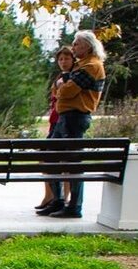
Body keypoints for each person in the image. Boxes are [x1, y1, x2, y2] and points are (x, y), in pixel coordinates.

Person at [38, 30, 107, 220]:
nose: (74, 46)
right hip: (64, 117)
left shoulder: (91, 66)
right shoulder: (80, 66)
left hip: (75, 117)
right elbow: (59, 88)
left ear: (87, 46)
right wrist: (63, 84)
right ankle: (57, 200)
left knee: (73, 163)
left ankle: (74, 206)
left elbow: (67, 92)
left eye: (77, 44)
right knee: (49, 156)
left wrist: (63, 84)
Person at [35, 46, 76, 212]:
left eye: (67, 59)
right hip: (55, 123)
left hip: (65, 123)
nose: (63, 62)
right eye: (60, 59)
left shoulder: (72, 78)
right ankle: (51, 195)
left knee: (65, 162)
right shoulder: (60, 77)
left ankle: (64, 197)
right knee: (46, 158)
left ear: (73, 60)